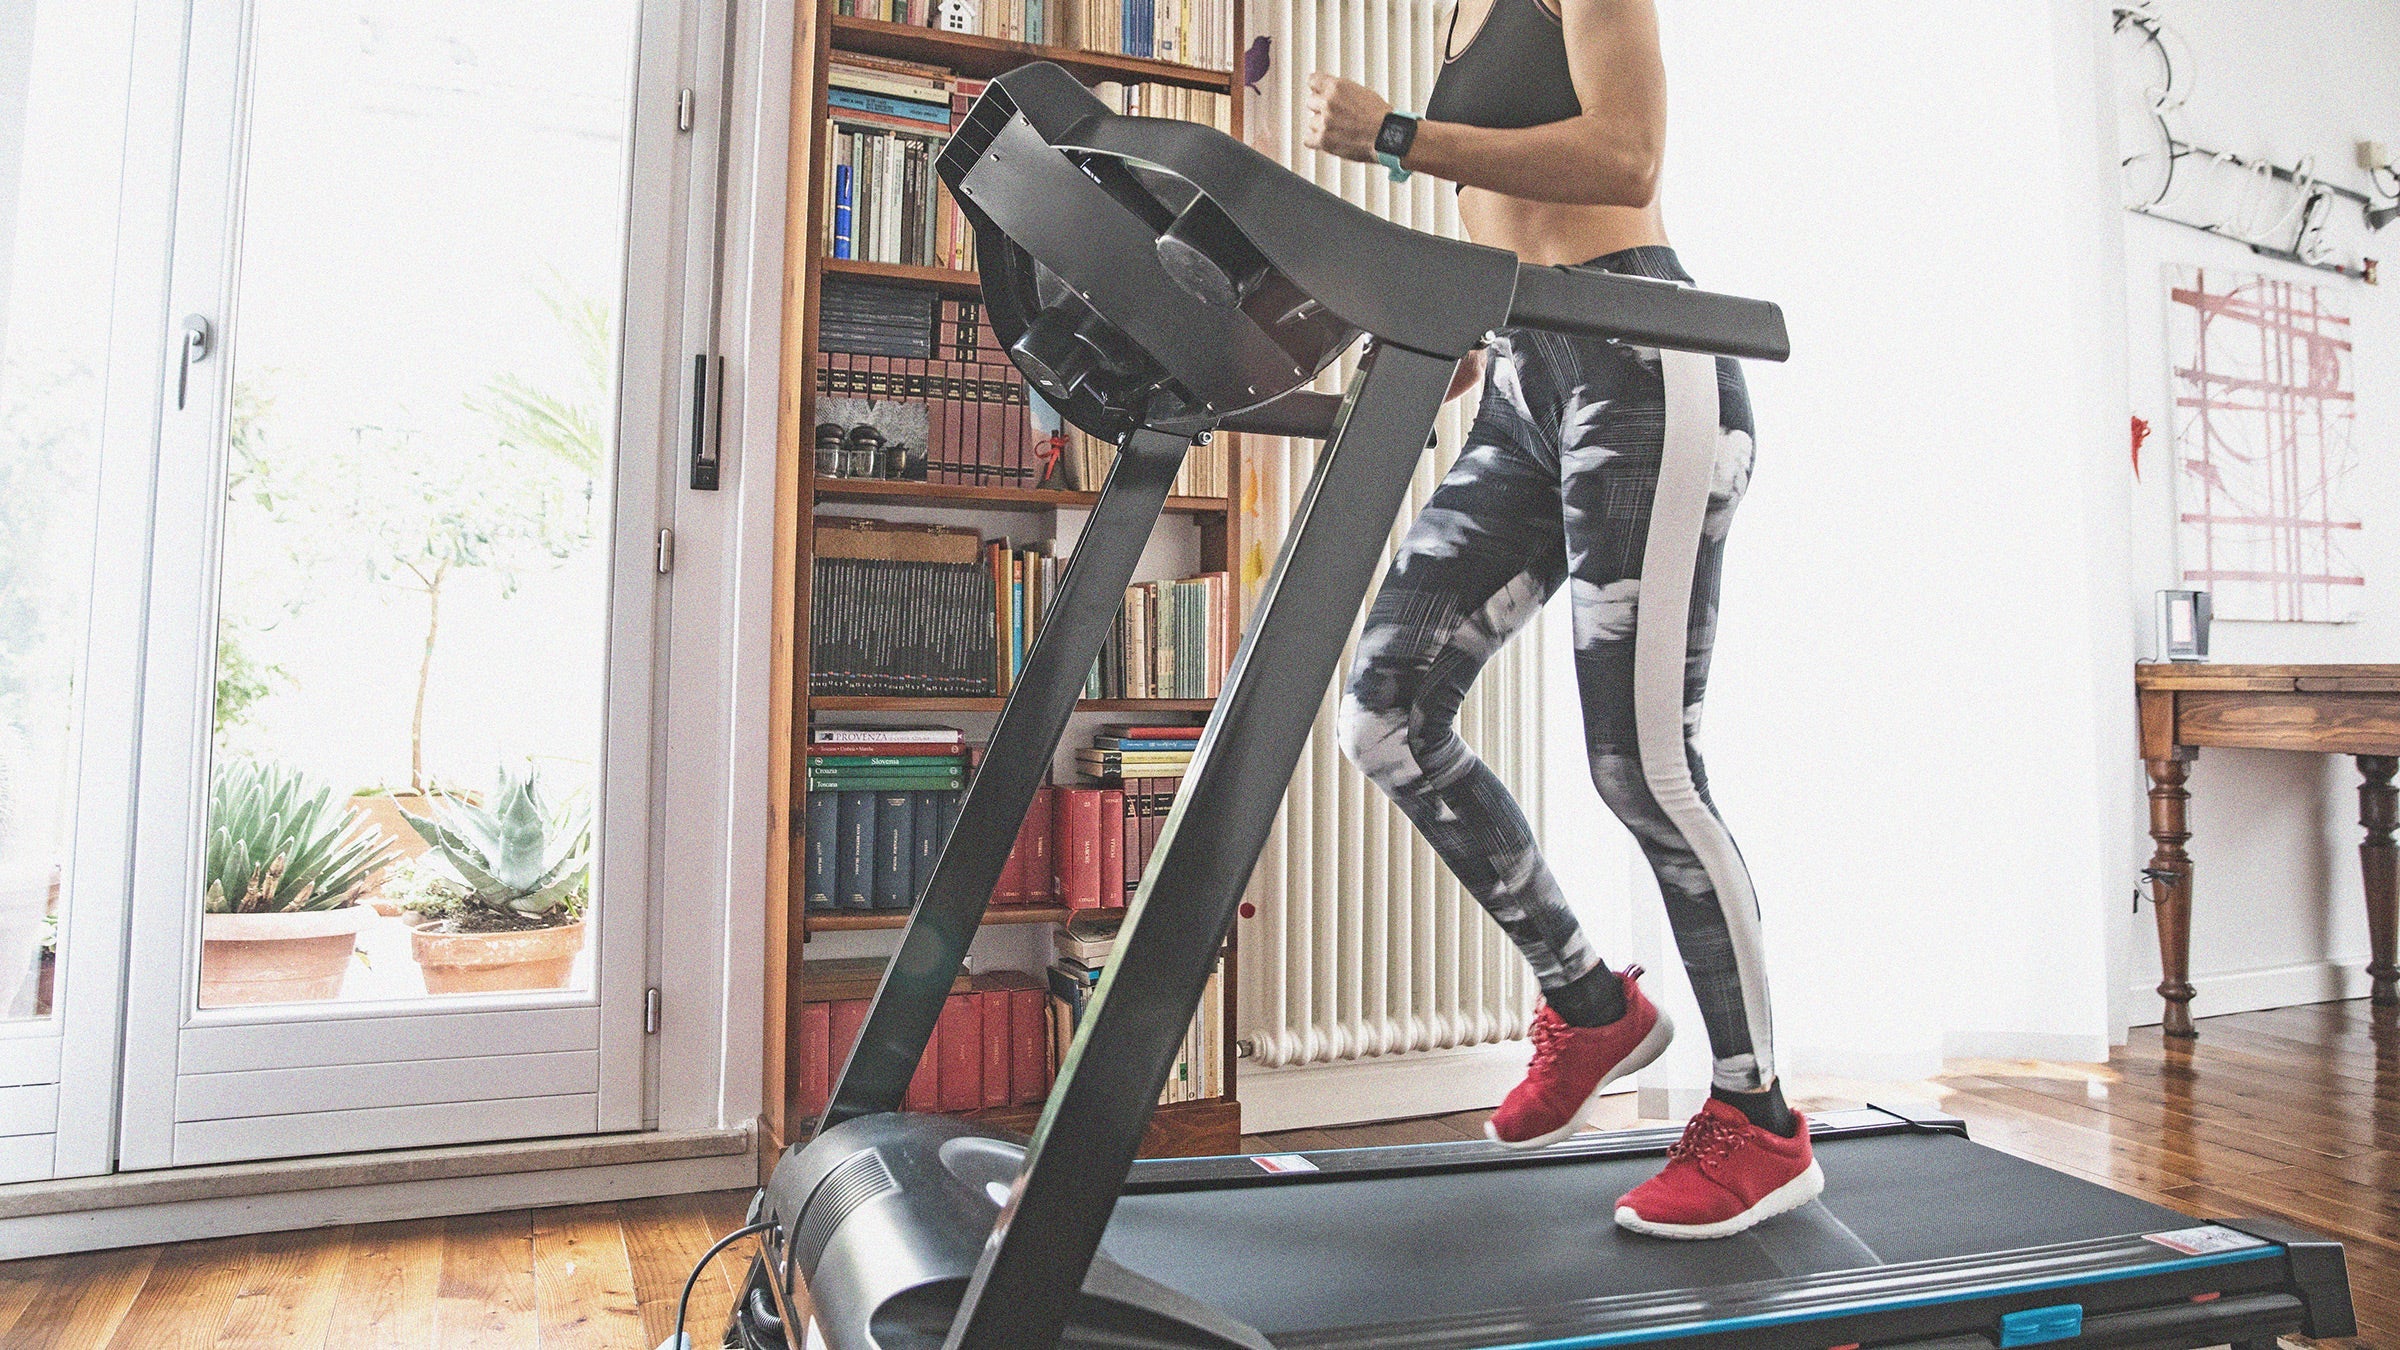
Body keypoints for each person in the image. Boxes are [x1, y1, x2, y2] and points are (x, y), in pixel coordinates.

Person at [1306, 0, 1818, 1239]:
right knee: (1382, 715)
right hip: (1532, 372)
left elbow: (1624, 160)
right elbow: (1517, 219)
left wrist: (1397, 138)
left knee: (1642, 766)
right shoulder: (1455, 18)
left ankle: (1763, 1122)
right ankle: (1591, 1005)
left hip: (1642, 356)